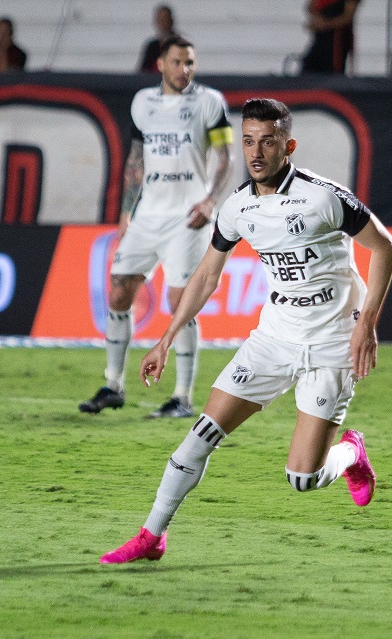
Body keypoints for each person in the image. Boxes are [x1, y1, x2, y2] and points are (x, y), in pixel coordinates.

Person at [99, 98, 392, 564]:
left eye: (268, 141)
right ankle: (151, 536)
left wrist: (367, 326)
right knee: (198, 437)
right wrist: (165, 338)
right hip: (273, 338)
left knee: (303, 478)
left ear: (288, 145)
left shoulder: (324, 197)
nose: (256, 152)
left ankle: (351, 454)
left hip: (332, 342)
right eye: (248, 141)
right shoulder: (237, 206)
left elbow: (385, 249)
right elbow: (205, 277)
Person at [79, 35, 235, 419]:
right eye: (179, 62)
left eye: (191, 63)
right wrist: (127, 210)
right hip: (148, 214)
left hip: (189, 217)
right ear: (160, 65)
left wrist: (211, 199)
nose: (186, 69)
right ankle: (113, 384)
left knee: (180, 302)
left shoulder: (209, 102)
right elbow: (136, 159)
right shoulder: (142, 104)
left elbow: (226, 158)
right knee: (119, 292)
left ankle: (182, 397)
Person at [301, 0, 361, 74]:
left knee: (332, 72)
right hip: (320, 39)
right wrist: (316, 19)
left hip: (337, 41)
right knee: (309, 68)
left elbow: (347, 16)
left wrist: (325, 24)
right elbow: (310, 6)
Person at [138, 4, 177, 73]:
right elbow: (143, 72)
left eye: (165, 19)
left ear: (171, 21)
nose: (162, 23)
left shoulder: (180, 45)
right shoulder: (152, 46)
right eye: (160, 19)